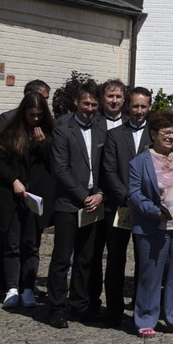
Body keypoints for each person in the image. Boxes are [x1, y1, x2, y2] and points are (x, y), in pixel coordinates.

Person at [126, 111, 173, 336]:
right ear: (153, 134)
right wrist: (154, 211)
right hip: (154, 226)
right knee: (151, 275)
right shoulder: (140, 162)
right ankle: (146, 319)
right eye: (165, 133)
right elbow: (134, 193)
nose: (170, 137)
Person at [47, 82, 107, 329]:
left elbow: (106, 166)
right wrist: (83, 196)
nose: (90, 108)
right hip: (69, 204)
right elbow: (60, 169)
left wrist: (100, 193)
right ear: (77, 103)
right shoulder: (63, 129)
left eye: (94, 104)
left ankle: (80, 306)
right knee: (62, 259)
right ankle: (57, 308)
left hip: (94, 203)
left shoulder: (101, 128)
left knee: (86, 258)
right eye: (86, 104)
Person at [98, 86, 154, 327]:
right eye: (135, 106)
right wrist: (128, 198)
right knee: (116, 260)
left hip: (147, 209)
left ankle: (144, 311)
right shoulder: (114, 135)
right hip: (121, 207)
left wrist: (144, 202)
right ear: (127, 107)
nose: (139, 111)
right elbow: (109, 171)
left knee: (146, 261)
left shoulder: (156, 135)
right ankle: (113, 310)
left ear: (149, 108)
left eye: (143, 106)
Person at [0, 91, 54, 308]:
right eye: (32, 115)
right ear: (24, 113)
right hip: (13, 195)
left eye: (39, 115)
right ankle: (11, 288)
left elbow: (54, 165)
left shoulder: (49, 133)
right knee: (12, 244)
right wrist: (14, 181)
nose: (36, 119)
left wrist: (42, 146)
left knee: (31, 244)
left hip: (36, 197)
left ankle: (28, 287)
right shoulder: (9, 132)